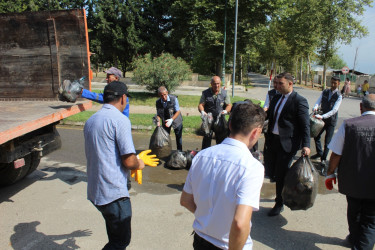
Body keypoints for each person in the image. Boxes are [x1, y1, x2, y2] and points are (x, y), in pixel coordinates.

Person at [181, 103, 265, 249]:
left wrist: (209, 219)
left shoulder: (202, 156)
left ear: (230, 125)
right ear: (256, 132)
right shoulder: (251, 167)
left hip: (201, 240)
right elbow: (240, 224)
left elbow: (186, 200)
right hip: (228, 244)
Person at [84, 81, 157, 249]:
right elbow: (129, 161)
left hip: (96, 191)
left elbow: (105, 153)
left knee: (114, 235)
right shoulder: (120, 121)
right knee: (120, 241)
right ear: (123, 98)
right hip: (113, 193)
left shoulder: (91, 121)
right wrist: (140, 163)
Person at [325, 94, 375, 249]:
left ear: (361, 107)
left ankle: (355, 239)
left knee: (353, 213)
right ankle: (357, 241)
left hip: (352, 181)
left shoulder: (348, 125)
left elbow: (336, 154)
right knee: (370, 221)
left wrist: (330, 174)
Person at [263, 72, 310, 216]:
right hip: (272, 140)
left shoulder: (299, 101)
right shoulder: (276, 97)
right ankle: (281, 194)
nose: (277, 86)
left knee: (281, 173)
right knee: (271, 171)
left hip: (287, 143)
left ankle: (279, 203)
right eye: (276, 83)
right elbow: (269, 115)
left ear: (290, 84)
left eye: (280, 84)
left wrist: (306, 145)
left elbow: (305, 125)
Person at [310, 76, 342, 171]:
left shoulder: (339, 95)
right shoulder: (325, 92)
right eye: (331, 82)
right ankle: (319, 153)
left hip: (331, 120)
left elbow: (334, 110)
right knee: (316, 136)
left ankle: (323, 159)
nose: (332, 85)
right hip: (322, 119)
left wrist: (323, 116)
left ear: (338, 84)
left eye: (335, 83)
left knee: (327, 141)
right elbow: (318, 101)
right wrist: (315, 107)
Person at [198, 76, 232, 149]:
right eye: (214, 84)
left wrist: (226, 110)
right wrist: (202, 111)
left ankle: (220, 155)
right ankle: (205, 156)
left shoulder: (224, 93)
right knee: (207, 139)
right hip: (209, 120)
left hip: (220, 119)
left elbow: (229, 105)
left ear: (220, 83)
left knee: (221, 140)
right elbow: (201, 105)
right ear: (211, 84)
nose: (216, 85)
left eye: (218, 83)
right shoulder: (205, 93)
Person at [155, 86, 183, 151]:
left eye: (165, 94)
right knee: (165, 138)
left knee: (179, 138)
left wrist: (171, 119)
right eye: (161, 95)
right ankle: (167, 152)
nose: (164, 97)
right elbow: (158, 114)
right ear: (159, 95)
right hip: (166, 121)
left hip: (176, 120)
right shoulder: (158, 102)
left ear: (167, 93)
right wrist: (158, 121)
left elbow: (178, 111)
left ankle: (179, 152)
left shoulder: (174, 99)